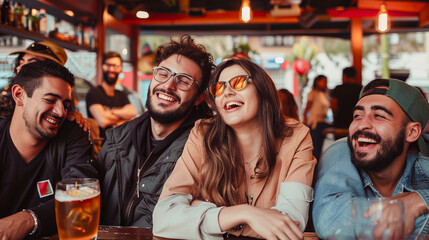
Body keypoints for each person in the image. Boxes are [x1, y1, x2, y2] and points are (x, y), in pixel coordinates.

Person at [153, 57, 316, 239]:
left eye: (238, 83)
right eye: (219, 88)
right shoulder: (203, 134)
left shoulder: (296, 136)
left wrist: (201, 212)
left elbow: (291, 225)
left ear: (263, 91)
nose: (227, 92)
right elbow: (163, 218)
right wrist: (246, 214)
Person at [96, 34, 214, 228]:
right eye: (163, 73)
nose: (168, 85)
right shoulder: (115, 140)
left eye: (184, 81)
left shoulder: (205, 150)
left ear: (199, 98)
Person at [313, 79, 429, 239]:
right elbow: (331, 221)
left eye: (379, 116)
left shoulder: (424, 161)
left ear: (412, 132)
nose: (362, 125)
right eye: (357, 116)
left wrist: (419, 200)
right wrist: (406, 212)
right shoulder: (341, 150)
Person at [0, 61, 97, 239]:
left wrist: (29, 220)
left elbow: (82, 197)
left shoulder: (73, 136)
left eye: (66, 104)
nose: (60, 112)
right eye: (50, 100)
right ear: (19, 94)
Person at [0, 41, 88, 129]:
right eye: (21, 62)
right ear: (17, 93)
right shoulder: (7, 94)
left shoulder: (67, 119)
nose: (19, 68)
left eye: (31, 63)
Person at [86, 51, 137, 139]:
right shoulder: (94, 93)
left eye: (115, 66)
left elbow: (132, 113)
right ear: (102, 66)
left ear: (121, 69)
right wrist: (123, 118)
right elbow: (103, 121)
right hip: (101, 146)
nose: (111, 69)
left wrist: (111, 112)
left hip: (121, 144)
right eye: (108, 65)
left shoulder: (121, 95)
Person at [303, 75, 331, 160]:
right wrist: (305, 122)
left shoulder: (325, 94)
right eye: (323, 81)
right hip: (314, 123)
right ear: (317, 82)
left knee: (320, 149)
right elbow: (306, 110)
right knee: (315, 149)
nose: (325, 83)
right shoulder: (313, 93)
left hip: (323, 122)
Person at [330, 66, 362, 135]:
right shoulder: (361, 89)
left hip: (340, 121)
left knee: (339, 144)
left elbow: (334, 106)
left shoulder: (338, 89)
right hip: (356, 121)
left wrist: (334, 118)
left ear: (344, 76)